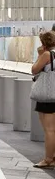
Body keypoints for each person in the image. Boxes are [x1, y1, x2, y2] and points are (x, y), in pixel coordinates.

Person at [31, 31, 55, 168]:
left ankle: (48, 159)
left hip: (48, 95)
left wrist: (40, 54)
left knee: (49, 130)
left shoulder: (47, 54)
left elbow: (34, 70)